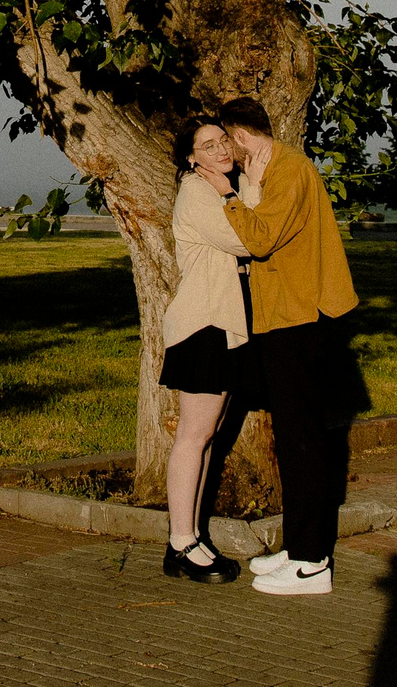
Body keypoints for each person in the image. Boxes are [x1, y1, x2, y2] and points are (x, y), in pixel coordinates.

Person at [218, 95, 360, 597]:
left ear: (240, 136)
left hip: (300, 320)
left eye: (228, 142)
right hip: (288, 318)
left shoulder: (289, 171)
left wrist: (233, 196)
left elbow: (259, 240)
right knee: (295, 439)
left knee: (303, 442)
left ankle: (311, 562)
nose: (227, 154)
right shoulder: (279, 169)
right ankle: (300, 545)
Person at [156, 119, 257, 584]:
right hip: (203, 327)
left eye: (224, 142)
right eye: (208, 145)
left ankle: (191, 538)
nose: (221, 150)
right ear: (191, 158)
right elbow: (247, 239)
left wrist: (240, 187)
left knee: (205, 434)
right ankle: (181, 544)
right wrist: (235, 191)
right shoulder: (198, 192)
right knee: (194, 435)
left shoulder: (218, 190)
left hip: (221, 325)